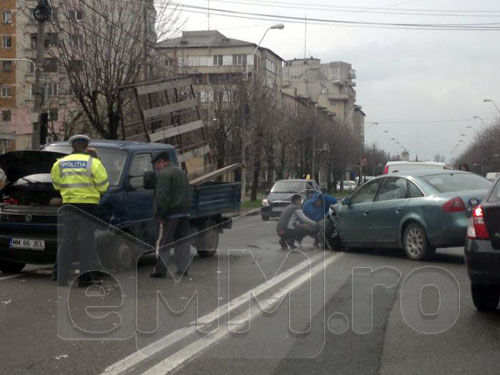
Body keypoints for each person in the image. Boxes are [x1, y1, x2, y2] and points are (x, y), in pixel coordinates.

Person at [51, 135, 109, 287]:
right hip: (88, 206)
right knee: (87, 242)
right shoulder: (94, 163)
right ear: (85, 147)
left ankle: (61, 279)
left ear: (72, 146)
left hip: (69, 205)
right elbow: (103, 186)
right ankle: (84, 279)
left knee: (67, 241)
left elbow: (56, 185)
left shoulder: (60, 163)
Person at [150, 151, 192, 279]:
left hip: (170, 214)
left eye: (156, 164)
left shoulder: (164, 174)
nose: (156, 168)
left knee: (165, 242)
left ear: (162, 162)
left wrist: (160, 214)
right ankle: (183, 268)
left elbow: (162, 196)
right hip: (184, 213)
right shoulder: (181, 173)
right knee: (183, 242)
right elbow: (188, 193)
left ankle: (161, 270)